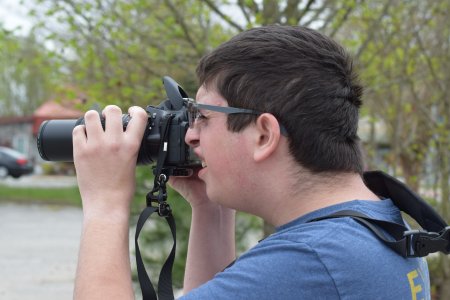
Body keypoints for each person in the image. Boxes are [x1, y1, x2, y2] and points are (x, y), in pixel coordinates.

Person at [72, 25, 430, 299]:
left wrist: (105, 203)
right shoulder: (375, 228)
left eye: (202, 117)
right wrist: (210, 207)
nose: (190, 136)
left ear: (264, 135)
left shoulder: (309, 259)